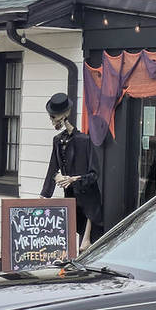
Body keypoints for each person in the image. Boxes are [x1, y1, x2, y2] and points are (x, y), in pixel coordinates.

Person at [40, 93, 104, 247]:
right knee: (73, 231)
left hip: (88, 198)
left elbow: (94, 174)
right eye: (51, 117)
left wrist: (73, 179)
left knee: (86, 243)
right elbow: (53, 168)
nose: (52, 121)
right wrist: (44, 195)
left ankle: (87, 240)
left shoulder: (84, 140)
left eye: (54, 117)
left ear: (65, 115)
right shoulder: (57, 140)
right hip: (71, 198)